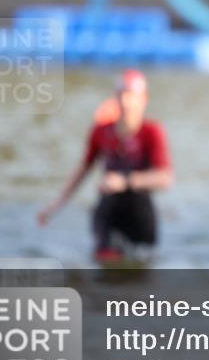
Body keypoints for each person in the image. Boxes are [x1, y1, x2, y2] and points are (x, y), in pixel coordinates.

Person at [37, 69, 172, 262]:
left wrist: (125, 181)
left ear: (143, 99)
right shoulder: (101, 131)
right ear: (115, 98)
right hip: (109, 209)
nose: (126, 102)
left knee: (143, 265)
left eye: (132, 95)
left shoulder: (152, 132)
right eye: (122, 94)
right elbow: (82, 170)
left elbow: (165, 178)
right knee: (104, 263)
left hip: (140, 211)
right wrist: (54, 207)